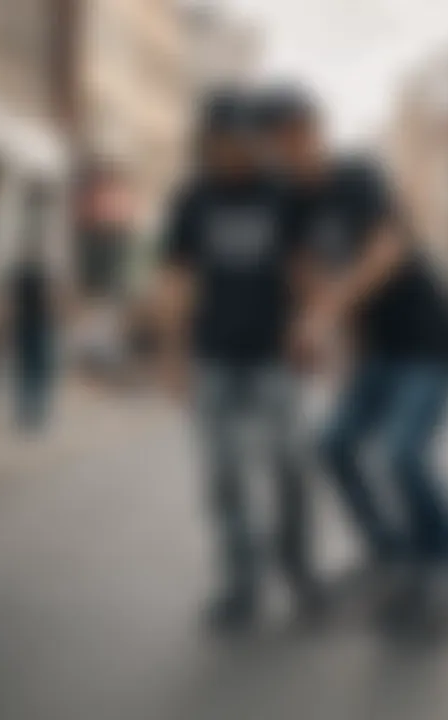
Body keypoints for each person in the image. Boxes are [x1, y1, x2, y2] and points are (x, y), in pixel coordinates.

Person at [259, 90, 448, 629]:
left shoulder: (357, 177)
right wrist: (320, 338)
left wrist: (328, 311)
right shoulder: (292, 205)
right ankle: (392, 556)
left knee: (403, 454)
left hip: (432, 342)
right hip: (380, 351)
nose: (288, 153)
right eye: (275, 144)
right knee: (334, 445)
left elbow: (387, 251)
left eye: (296, 137)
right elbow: (307, 276)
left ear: (314, 133)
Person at [158, 90, 320, 630]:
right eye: (218, 141)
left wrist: (311, 326)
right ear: (207, 142)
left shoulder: (282, 195)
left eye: (238, 140)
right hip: (215, 357)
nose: (229, 151)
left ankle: (298, 571)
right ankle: (239, 585)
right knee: (223, 474)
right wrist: (175, 355)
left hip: (274, 356)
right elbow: (179, 279)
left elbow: (302, 267)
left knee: (292, 463)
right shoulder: (192, 199)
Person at [8, 216, 57, 432]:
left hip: (24, 325)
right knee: (38, 370)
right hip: (37, 326)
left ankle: (25, 412)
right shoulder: (41, 275)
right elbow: (50, 300)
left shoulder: (19, 274)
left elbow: (10, 302)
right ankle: (35, 413)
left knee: (25, 370)